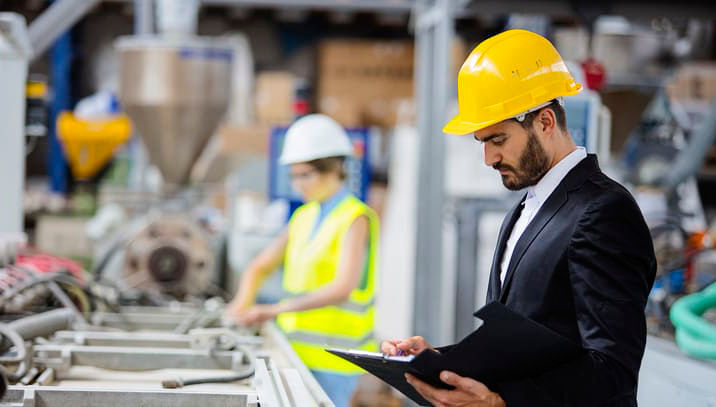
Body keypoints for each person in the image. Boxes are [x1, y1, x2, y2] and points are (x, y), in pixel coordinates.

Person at [382, 29, 656, 406]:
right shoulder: (524, 211)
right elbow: (524, 348)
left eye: (498, 140)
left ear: (544, 122)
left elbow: (612, 370)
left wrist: (501, 402)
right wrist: (439, 361)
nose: (489, 159)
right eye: (482, 143)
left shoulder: (603, 211)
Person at [225, 114, 379, 407]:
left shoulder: (355, 218)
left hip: (336, 360)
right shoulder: (303, 217)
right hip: (295, 352)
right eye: (294, 175)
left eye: (306, 175)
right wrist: (239, 306)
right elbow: (260, 266)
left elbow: (342, 288)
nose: (298, 185)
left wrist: (274, 310)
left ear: (334, 168)